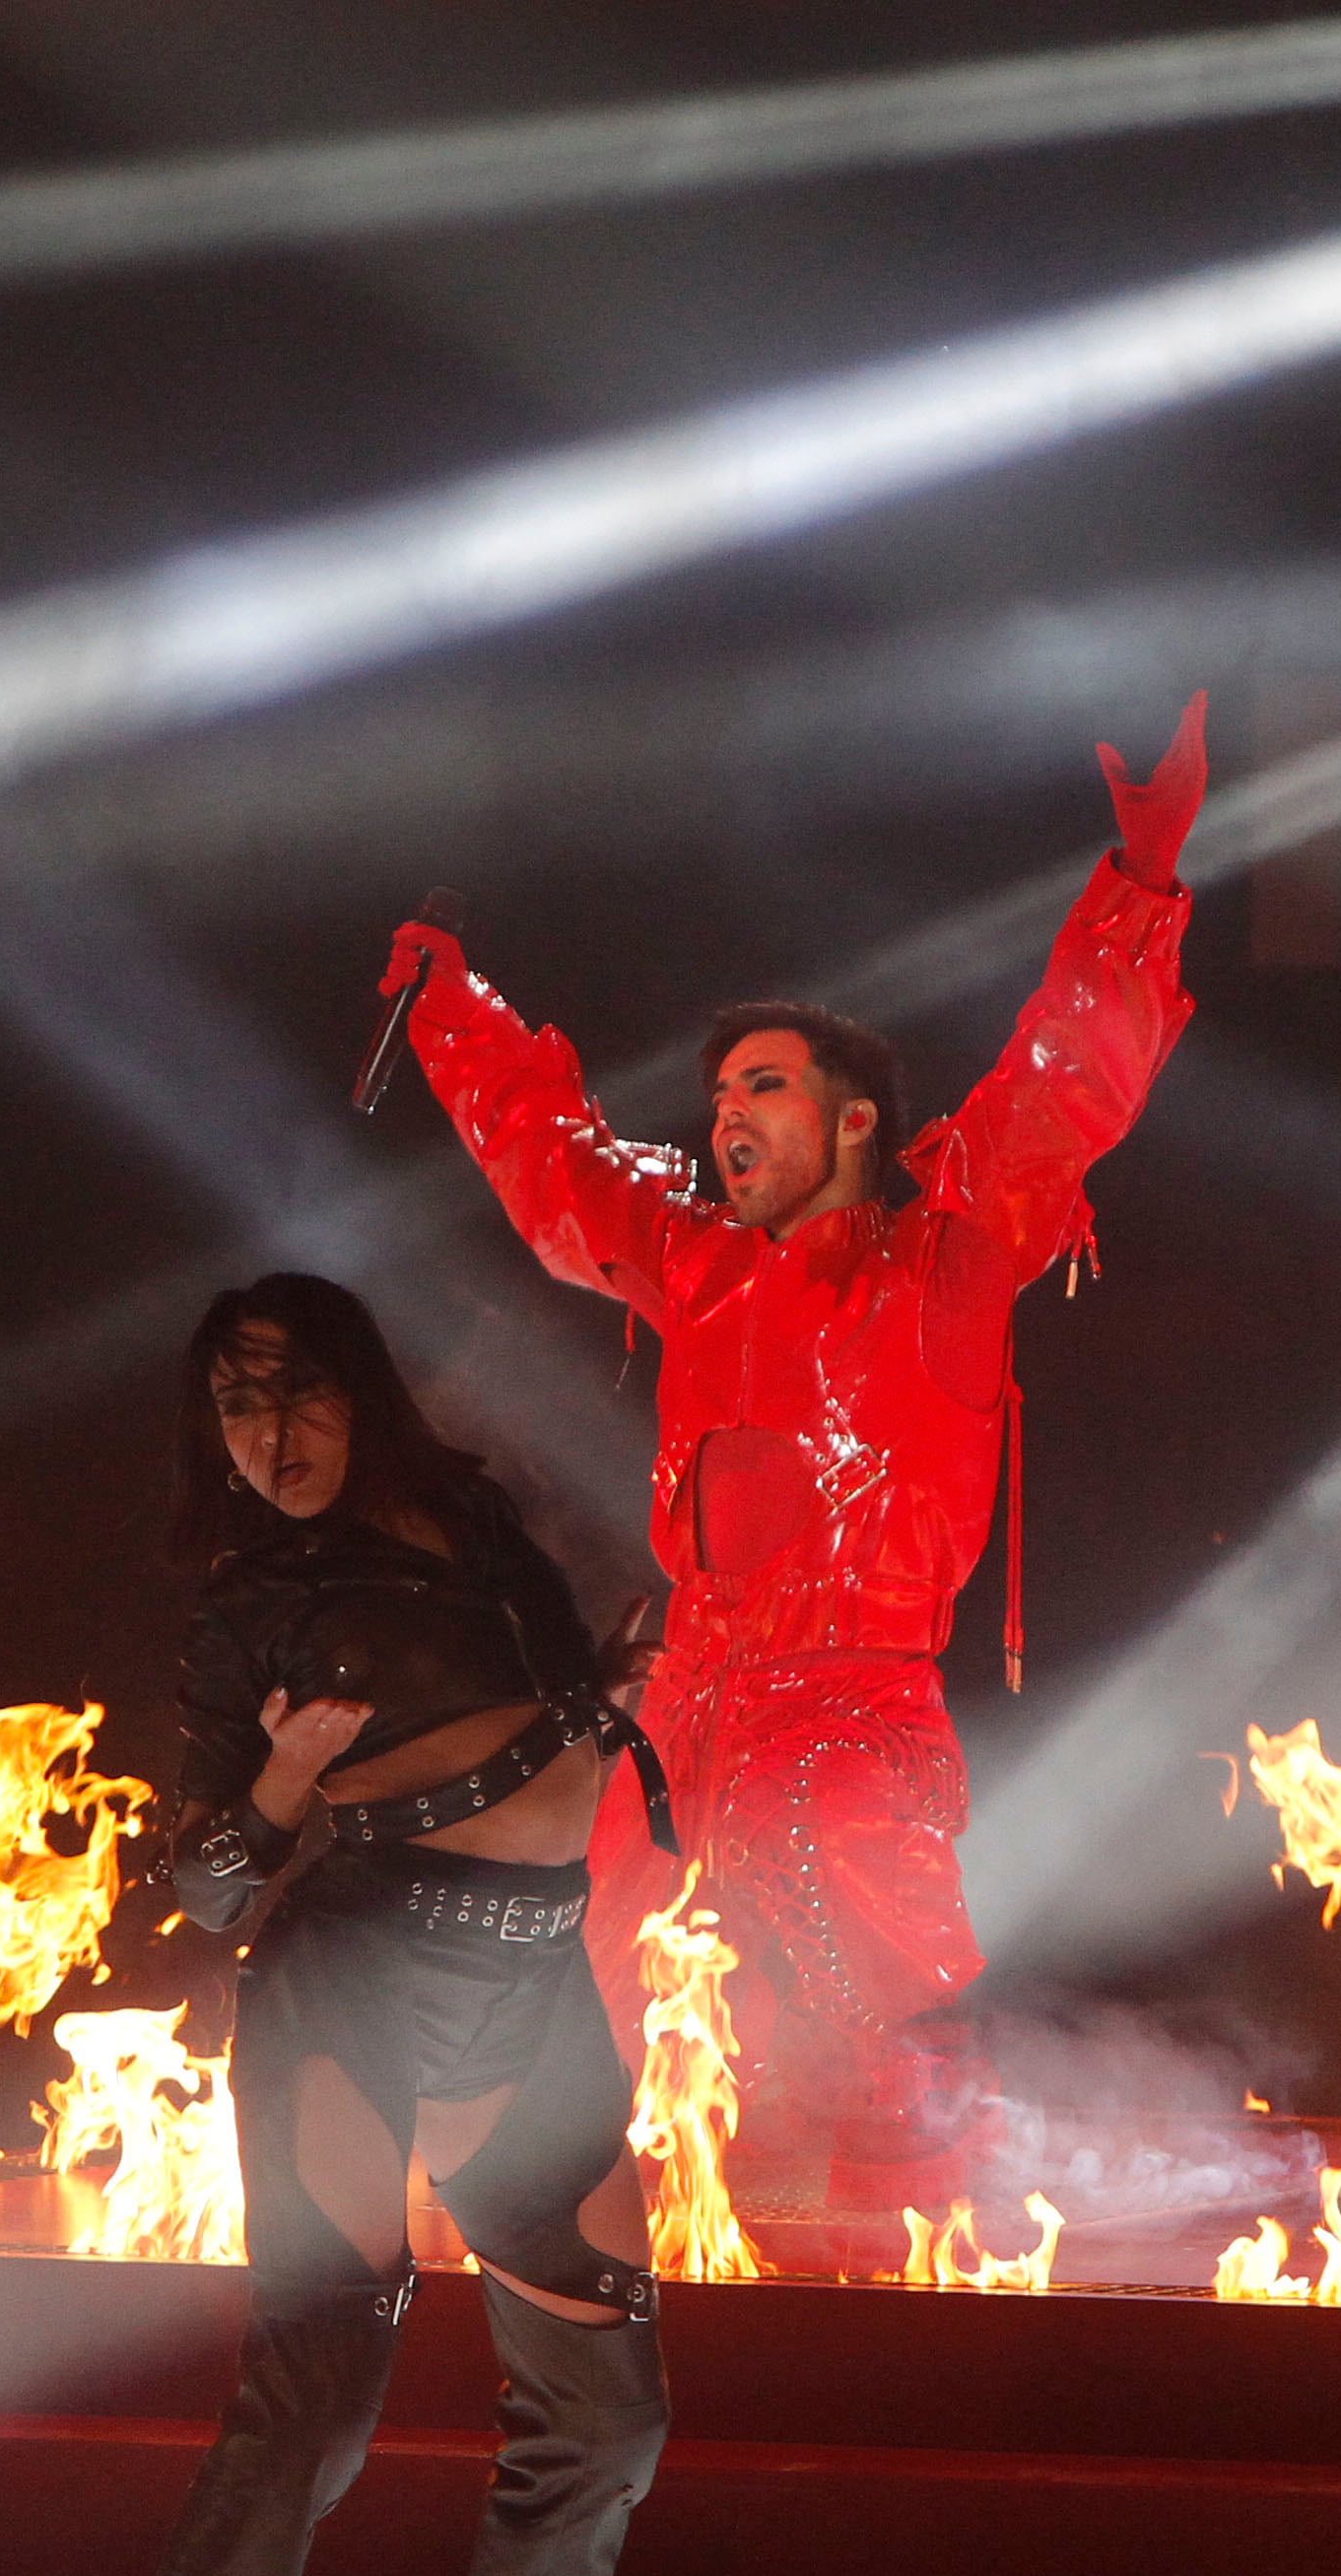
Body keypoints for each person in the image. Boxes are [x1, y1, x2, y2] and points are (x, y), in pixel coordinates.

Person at [386, 704, 1205, 2231]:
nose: (725, 1115)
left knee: (870, 2014)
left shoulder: (943, 1257)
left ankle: (903, 2291)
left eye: (763, 1087)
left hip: (848, 1707)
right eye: (717, 1097)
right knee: (596, 1972)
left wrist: (1139, 883)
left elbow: (1060, 1083)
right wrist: (453, 1005)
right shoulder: (692, 1267)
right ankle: (584, 2271)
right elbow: (555, 1165)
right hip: (692, 1691)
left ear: (854, 1120)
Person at [18, 1277, 673, 2576]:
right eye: (235, 1411)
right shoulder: (253, 1608)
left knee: (604, 2406)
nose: (267, 1441)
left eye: (293, 1398)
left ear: (362, 1393)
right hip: (360, 1992)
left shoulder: (476, 1522)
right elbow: (210, 1885)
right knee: (311, 2408)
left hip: (536, 1994)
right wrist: (282, 1785)